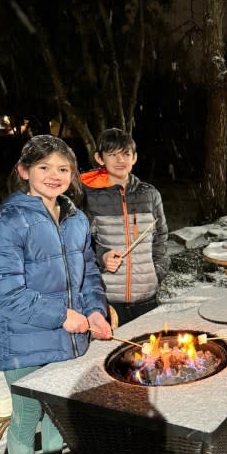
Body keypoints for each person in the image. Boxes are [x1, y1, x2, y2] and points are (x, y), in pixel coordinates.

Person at [0, 135, 112, 454]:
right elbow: (4, 293)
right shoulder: (8, 223)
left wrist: (95, 310)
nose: (55, 176)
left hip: (65, 339)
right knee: (26, 416)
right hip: (23, 340)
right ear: (23, 172)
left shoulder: (74, 218)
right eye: (44, 168)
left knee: (57, 411)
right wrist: (61, 315)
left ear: (73, 176)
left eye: (63, 169)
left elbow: (88, 274)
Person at [81, 128, 170, 326]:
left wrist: (157, 272)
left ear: (135, 157)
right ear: (99, 158)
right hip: (108, 298)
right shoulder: (89, 197)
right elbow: (82, 243)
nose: (120, 160)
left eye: (126, 154)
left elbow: (161, 238)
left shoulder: (150, 194)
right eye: (112, 155)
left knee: (150, 351)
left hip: (147, 296)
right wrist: (102, 256)